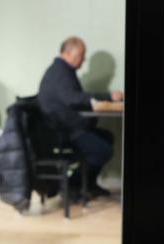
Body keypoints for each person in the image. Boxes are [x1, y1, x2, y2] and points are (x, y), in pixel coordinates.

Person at [37, 36, 123, 197]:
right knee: (102, 150)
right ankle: (71, 185)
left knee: (106, 137)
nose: (83, 60)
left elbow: (76, 97)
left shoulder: (62, 70)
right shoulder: (60, 72)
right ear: (68, 52)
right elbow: (73, 98)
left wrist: (108, 97)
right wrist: (108, 96)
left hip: (67, 128)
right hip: (64, 131)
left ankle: (88, 184)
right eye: (81, 56)